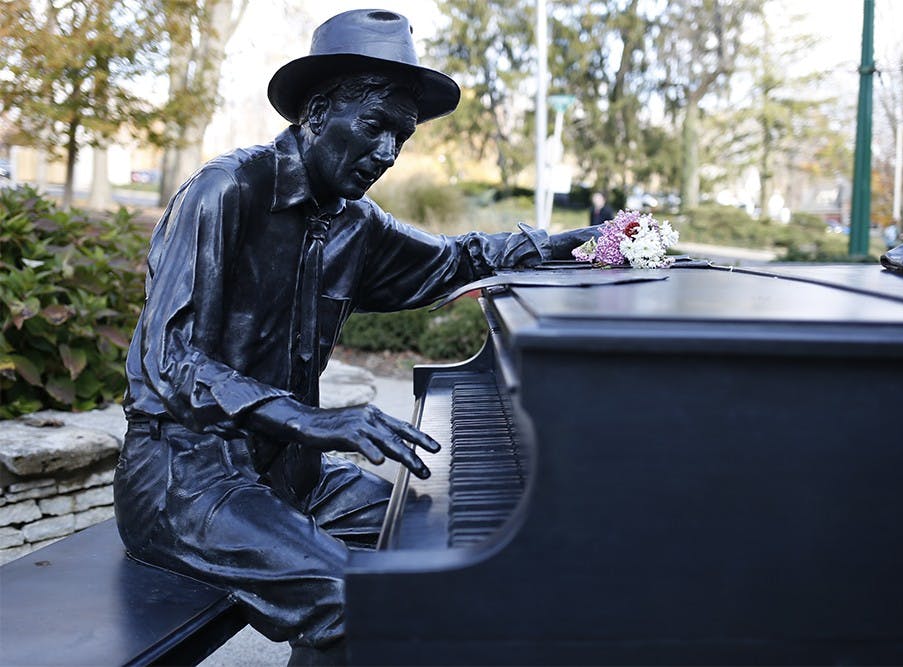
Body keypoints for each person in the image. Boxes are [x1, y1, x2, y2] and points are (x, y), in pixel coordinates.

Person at [113, 9, 595, 660]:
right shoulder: (226, 191)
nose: (388, 153)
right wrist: (317, 421)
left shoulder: (355, 222)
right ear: (316, 112)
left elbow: (454, 259)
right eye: (375, 127)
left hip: (294, 477)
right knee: (361, 603)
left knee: (440, 538)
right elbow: (167, 362)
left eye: (403, 135)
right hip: (185, 481)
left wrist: (562, 246)